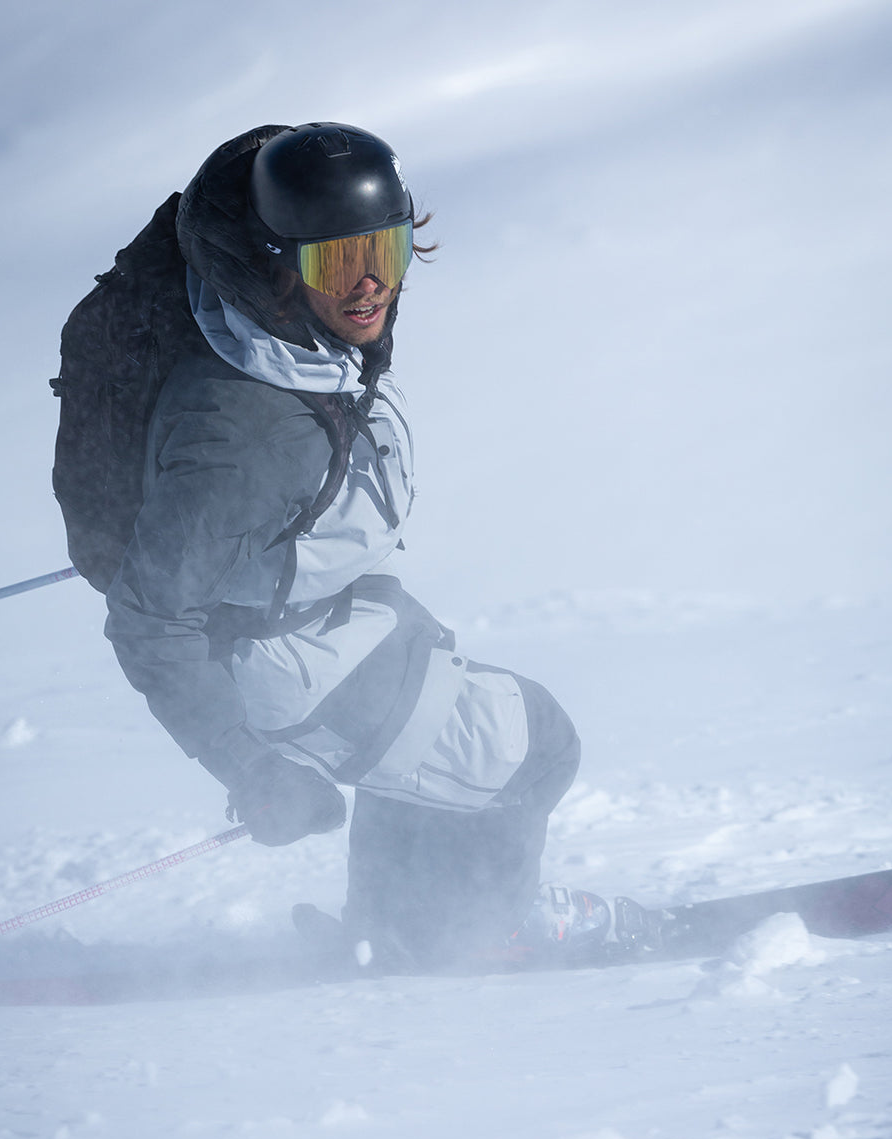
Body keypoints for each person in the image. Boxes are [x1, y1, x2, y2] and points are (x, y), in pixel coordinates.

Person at [103, 122, 582, 971]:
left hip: (330, 627)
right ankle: (474, 942)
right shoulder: (244, 435)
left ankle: (392, 926)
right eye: (334, 261)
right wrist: (249, 768)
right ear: (278, 265)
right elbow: (149, 616)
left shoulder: (291, 343)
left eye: (386, 250)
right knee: (532, 741)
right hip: (280, 664)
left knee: (459, 724)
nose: (367, 284)